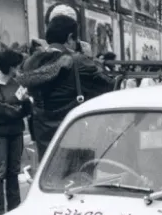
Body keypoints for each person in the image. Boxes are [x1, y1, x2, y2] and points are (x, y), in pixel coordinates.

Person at [17, 14, 115, 161]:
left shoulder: (30, 63)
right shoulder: (77, 61)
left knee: (50, 179)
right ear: (70, 38)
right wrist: (91, 59)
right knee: (78, 179)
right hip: (75, 136)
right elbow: (110, 85)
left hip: (44, 137)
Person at [0, 50, 30, 215]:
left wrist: (22, 106)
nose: (18, 69)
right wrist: (19, 109)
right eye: (16, 66)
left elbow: (26, 106)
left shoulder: (16, 83)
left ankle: (14, 210)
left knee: (14, 171)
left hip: (16, 132)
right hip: (0, 134)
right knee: (0, 171)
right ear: (9, 66)